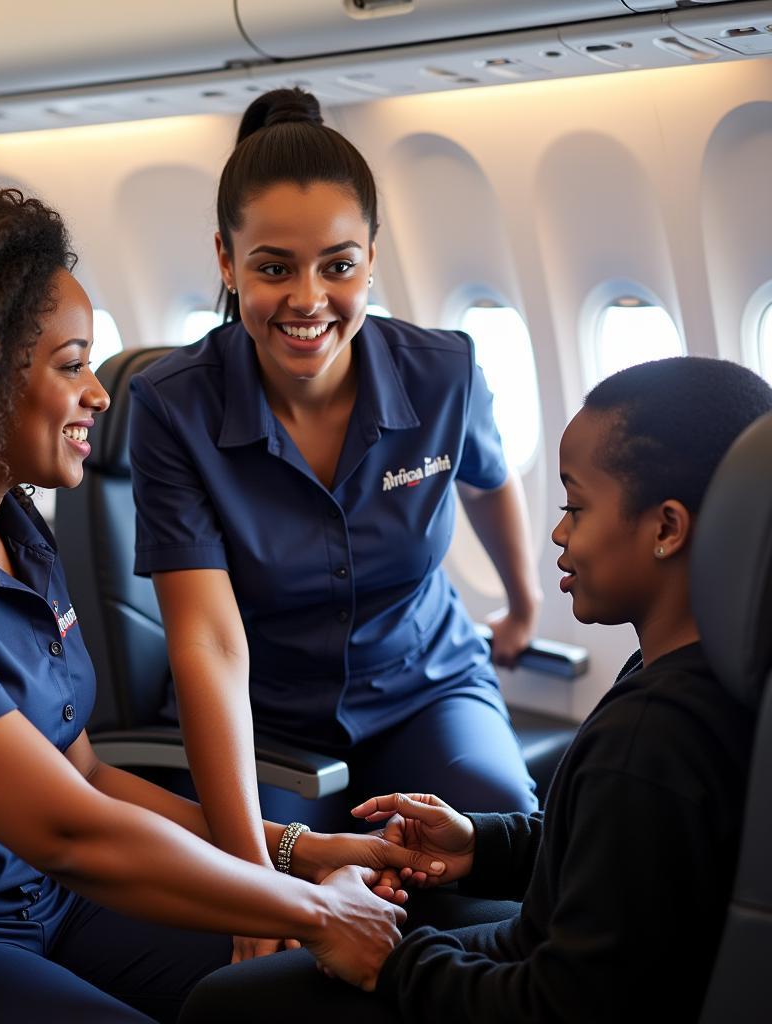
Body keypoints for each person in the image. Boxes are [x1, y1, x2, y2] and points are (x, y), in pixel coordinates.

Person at [0, 184, 447, 1024]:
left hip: (44, 901)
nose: (100, 393)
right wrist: (312, 907)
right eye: (72, 364)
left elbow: (85, 773)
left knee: (310, 995)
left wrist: (299, 851)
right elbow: (67, 831)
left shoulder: (13, 528)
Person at [178, 355, 772, 1023]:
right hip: (541, 949)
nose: (558, 531)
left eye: (575, 506)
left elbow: (562, 1006)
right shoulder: (715, 671)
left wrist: (387, 963)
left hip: (536, 982)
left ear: (666, 528)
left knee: (222, 1006)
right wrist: (480, 843)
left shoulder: (648, 741)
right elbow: (618, 861)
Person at [128, 87, 541, 959]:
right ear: (227, 260)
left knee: (515, 866)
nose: (309, 300)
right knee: (284, 937)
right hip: (268, 716)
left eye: (338, 266)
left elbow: (489, 477)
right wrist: (247, 883)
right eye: (274, 267)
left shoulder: (443, 370)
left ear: (373, 260)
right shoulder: (171, 409)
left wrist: (522, 602)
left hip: (428, 686)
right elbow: (208, 645)